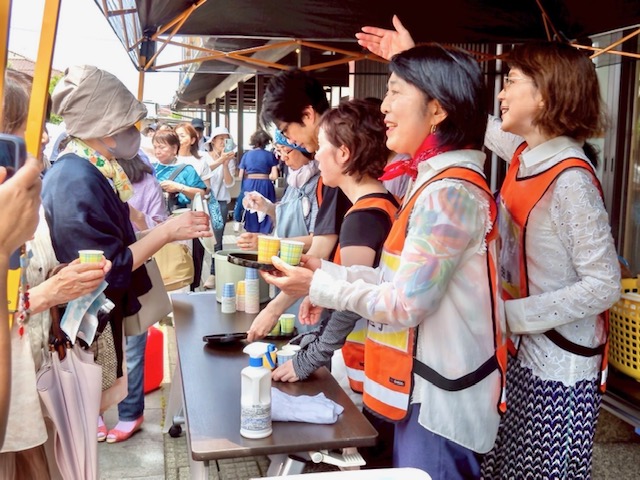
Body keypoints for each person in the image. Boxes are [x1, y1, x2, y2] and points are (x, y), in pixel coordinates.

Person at [358, 16, 622, 478]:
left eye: (512, 82)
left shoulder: (572, 179)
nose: (501, 94)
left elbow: (604, 284)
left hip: (558, 366)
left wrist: (506, 316)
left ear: (546, 94)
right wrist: (416, 66)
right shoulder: (526, 154)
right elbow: (460, 113)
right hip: (515, 351)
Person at [261, 45, 506, 478]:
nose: (385, 107)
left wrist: (321, 286)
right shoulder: (431, 182)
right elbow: (396, 279)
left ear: (437, 110)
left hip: (440, 398)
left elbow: (405, 303)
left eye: (396, 92)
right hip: (424, 388)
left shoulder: (448, 193)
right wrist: (325, 274)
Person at [42, 64, 212, 445]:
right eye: (129, 124)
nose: (136, 132)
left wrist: (161, 231)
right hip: (86, 321)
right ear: (106, 129)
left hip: (95, 316)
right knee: (82, 425)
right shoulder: (76, 178)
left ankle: (115, 418)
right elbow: (107, 265)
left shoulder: (88, 168)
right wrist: (167, 232)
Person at [269, 99, 400, 468]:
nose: (316, 156)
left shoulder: (362, 217)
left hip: (366, 366)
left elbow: (354, 301)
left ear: (344, 154)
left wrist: (309, 359)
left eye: (322, 147)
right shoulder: (384, 203)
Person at [0, 69, 110, 478]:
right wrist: (46, 294)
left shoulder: (26, 194)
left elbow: (31, 273)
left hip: (35, 374)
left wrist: (63, 276)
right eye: (26, 125)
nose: (45, 135)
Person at [246, 68, 352, 340]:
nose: (290, 141)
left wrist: (274, 309)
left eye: (286, 131)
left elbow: (321, 248)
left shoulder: (338, 170)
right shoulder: (329, 171)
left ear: (307, 115)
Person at [107, 153, 167, 444]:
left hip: (133, 269)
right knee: (95, 349)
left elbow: (161, 227)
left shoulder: (147, 184)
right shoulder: (90, 179)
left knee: (132, 347)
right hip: (96, 270)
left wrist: (134, 215)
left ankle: (131, 412)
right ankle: (95, 411)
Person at [237, 129, 320, 251]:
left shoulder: (319, 185)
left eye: (287, 150)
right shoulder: (295, 181)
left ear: (305, 147)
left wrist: (267, 243)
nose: (284, 158)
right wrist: (266, 206)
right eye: (279, 151)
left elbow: (318, 241)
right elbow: (287, 218)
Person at [174, 122, 215, 290]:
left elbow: (206, 190)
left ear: (192, 140)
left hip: (195, 212)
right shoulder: (167, 159)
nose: (178, 138)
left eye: (182, 135)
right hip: (173, 213)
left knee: (196, 253)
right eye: (176, 135)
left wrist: (182, 188)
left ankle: (193, 287)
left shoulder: (201, 161)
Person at [202, 126, 236, 290]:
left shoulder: (229, 160)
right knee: (200, 238)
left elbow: (229, 183)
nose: (223, 141)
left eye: (226, 138)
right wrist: (220, 161)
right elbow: (203, 173)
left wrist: (226, 164)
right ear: (213, 141)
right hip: (202, 201)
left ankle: (214, 273)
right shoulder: (203, 156)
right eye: (220, 138)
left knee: (217, 238)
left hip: (219, 202)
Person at [236, 129, 279, 234]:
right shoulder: (270, 155)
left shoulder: (246, 155)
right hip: (265, 184)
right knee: (266, 208)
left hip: (249, 184)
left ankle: (252, 233)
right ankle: (264, 233)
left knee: (250, 208)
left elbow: (240, 175)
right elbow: (275, 176)